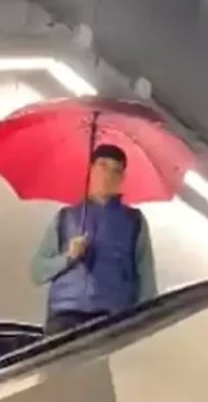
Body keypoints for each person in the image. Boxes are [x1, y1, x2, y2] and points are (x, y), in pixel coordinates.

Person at [29, 143, 158, 335]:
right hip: (65, 316)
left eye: (116, 170)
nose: (108, 175)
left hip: (113, 318)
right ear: (91, 170)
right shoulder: (66, 217)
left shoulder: (134, 221)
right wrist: (68, 257)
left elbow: (147, 282)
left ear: (122, 178)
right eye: (103, 166)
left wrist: (144, 325)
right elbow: (38, 271)